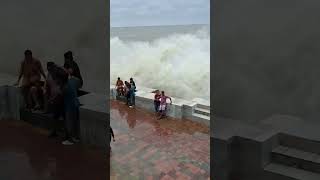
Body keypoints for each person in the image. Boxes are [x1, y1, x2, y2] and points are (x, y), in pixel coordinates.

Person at [45, 62, 68, 138]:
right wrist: (48, 98)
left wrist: (60, 93)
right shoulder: (49, 75)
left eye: (51, 69)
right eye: (48, 69)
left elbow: (65, 78)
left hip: (61, 97)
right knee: (55, 116)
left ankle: (66, 132)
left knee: (64, 115)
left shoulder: (60, 73)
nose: (50, 71)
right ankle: (54, 131)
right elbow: (48, 86)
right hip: (54, 98)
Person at [62, 69, 81, 145]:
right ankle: (75, 138)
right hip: (76, 103)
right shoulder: (74, 81)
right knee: (75, 122)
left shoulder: (65, 86)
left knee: (69, 122)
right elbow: (79, 84)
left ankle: (71, 139)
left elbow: (62, 93)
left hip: (70, 105)